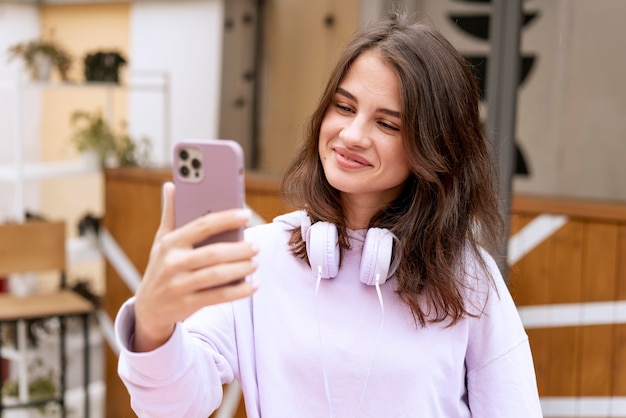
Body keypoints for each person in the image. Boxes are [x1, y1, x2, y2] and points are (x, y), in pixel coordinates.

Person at [115, 11, 543, 418]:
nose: (352, 135)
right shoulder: (257, 257)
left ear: (434, 147)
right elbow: (173, 407)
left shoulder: (470, 280)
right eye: (344, 107)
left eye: (388, 124)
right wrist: (153, 323)